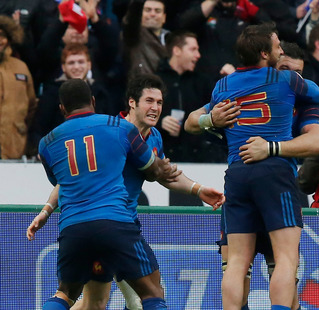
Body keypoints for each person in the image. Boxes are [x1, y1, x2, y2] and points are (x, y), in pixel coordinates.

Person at [28, 74, 226, 309]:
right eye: (149, 101)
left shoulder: (153, 137)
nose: (155, 108)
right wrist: (48, 208)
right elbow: (157, 171)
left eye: (160, 103)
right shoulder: (115, 130)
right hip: (117, 227)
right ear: (132, 102)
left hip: (88, 227)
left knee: (93, 302)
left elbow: (166, 175)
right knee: (146, 296)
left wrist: (198, 189)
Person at [184, 23, 319, 309]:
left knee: (236, 261)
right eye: (276, 47)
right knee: (286, 258)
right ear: (264, 53)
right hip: (274, 171)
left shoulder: (222, 86)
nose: (280, 50)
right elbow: (318, 94)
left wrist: (209, 120)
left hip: (236, 172)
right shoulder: (285, 79)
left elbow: (192, 122)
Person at [155, 31, 226, 165]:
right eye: (193, 49)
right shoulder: (156, 80)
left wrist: (228, 79)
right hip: (163, 159)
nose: (198, 55)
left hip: (198, 159)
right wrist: (160, 123)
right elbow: (139, 117)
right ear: (177, 50)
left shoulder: (202, 82)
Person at [33, 43, 117, 148]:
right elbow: (38, 130)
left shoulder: (101, 93)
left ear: (89, 65)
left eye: (81, 62)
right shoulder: (51, 94)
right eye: (71, 63)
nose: (76, 67)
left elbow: (112, 128)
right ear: (63, 67)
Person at [0, 15, 37, 159]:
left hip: (15, 146)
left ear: (9, 39)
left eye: (2, 35)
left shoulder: (21, 68)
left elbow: (31, 106)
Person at [122, 0, 169, 77]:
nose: (152, 14)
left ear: (164, 17)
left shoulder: (172, 39)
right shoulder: (133, 35)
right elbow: (130, 22)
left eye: (157, 11)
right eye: (147, 10)